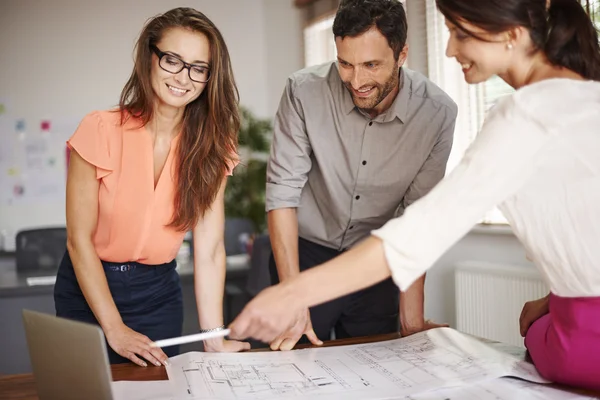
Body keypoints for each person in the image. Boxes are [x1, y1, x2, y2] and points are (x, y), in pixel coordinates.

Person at [231, 0, 600, 391]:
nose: (449, 49)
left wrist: (290, 293)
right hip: (316, 246)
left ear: (511, 35)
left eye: (460, 32)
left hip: (580, 340)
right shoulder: (584, 97)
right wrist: (557, 295)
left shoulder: (520, 116)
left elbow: (419, 230)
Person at [54, 7, 250, 367]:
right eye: (172, 60)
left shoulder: (213, 148)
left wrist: (213, 338)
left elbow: (209, 248)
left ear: (209, 77)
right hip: (87, 290)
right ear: (149, 58)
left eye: (198, 67)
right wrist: (114, 328)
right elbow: (78, 240)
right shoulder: (99, 130)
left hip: (157, 295)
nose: (183, 77)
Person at [264, 0, 457, 351]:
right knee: (291, 370)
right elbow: (282, 194)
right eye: (345, 64)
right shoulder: (302, 92)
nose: (357, 80)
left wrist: (412, 321)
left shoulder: (437, 114)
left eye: (371, 65)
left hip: (374, 261)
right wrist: (291, 294)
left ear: (402, 55)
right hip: (305, 257)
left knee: (377, 370)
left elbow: (418, 219)